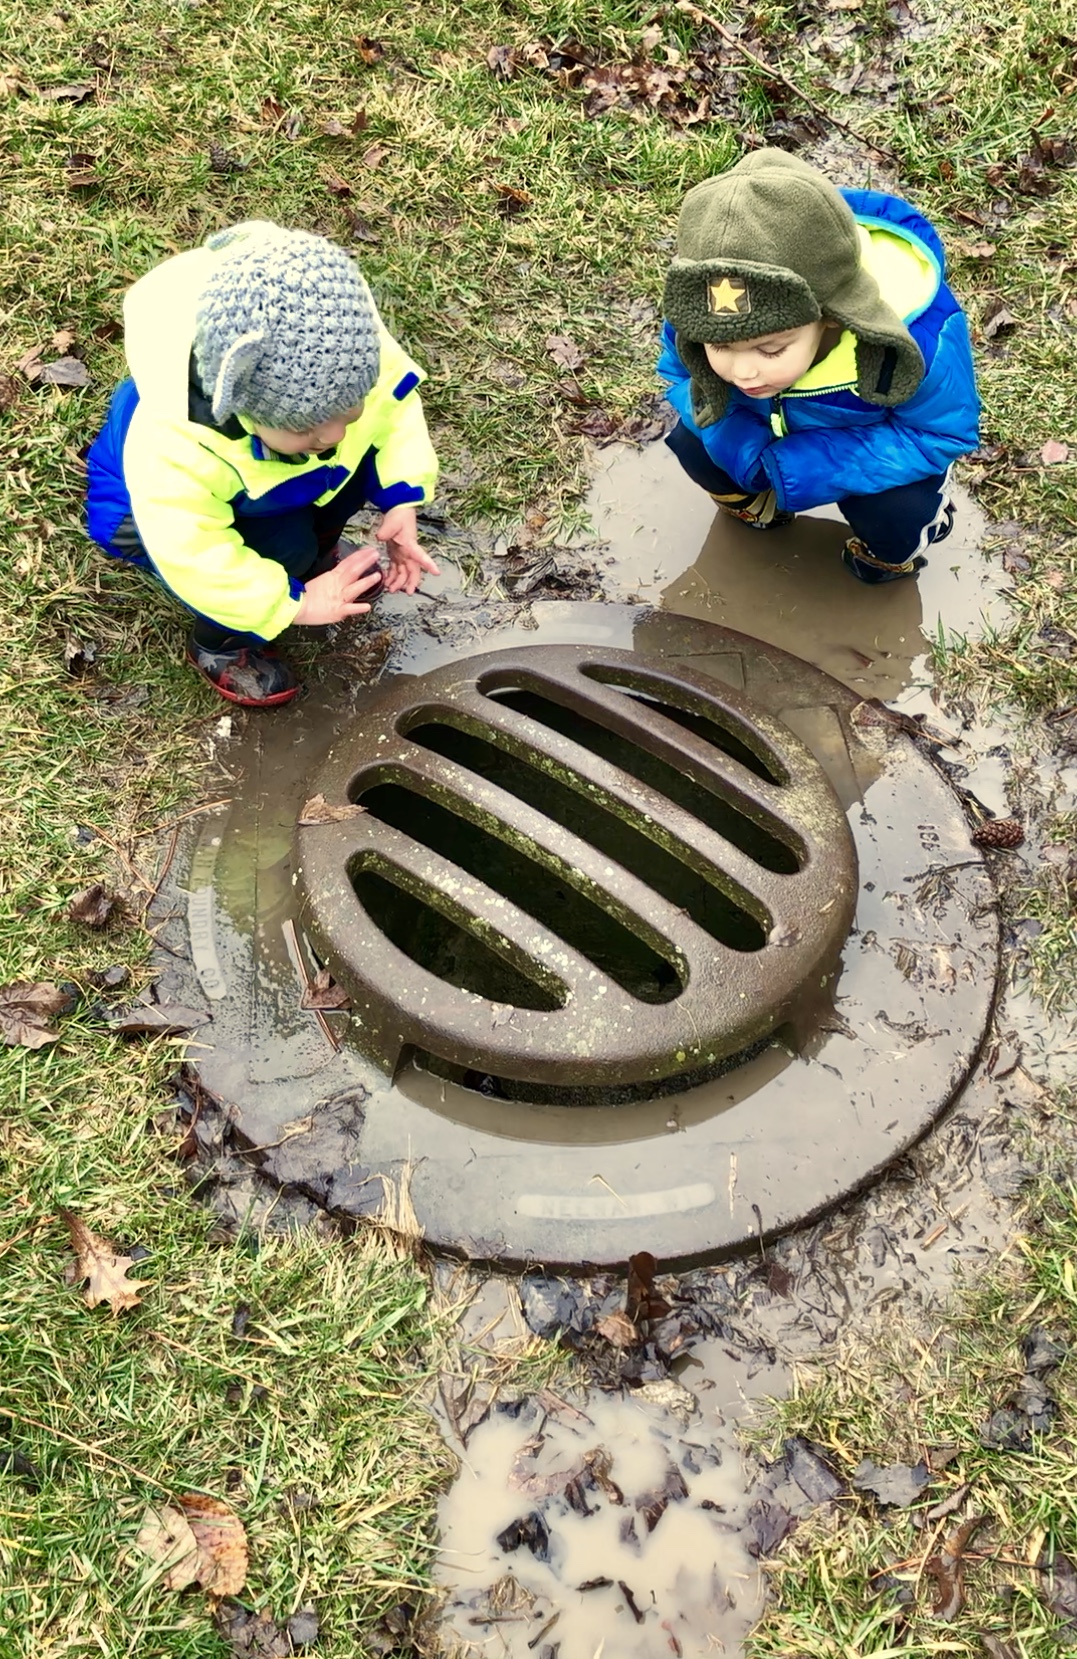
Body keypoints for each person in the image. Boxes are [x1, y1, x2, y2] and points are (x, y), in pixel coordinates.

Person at [86, 221, 439, 705]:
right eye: (307, 429)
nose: (335, 435)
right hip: (142, 515)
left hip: (276, 482)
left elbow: (393, 410)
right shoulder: (176, 445)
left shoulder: (349, 346)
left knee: (356, 471)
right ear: (240, 405)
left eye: (347, 411)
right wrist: (288, 604)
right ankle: (222, 644)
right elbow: (196, 554)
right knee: (282, 546)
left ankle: (316, 559)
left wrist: (403, 499)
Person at [658, 149, 979, 583]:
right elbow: (680, 375)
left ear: (832, 314)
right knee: (691, 441)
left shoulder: (914, 342)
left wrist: (804, 467)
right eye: (718, 346)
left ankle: (891, 555)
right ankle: (754, 505)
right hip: (756, 431)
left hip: (863, 442)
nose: (742, 372)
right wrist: (737, 440)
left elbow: (941, 433)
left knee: (898, 511)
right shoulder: (706, 309)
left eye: (770, 350)